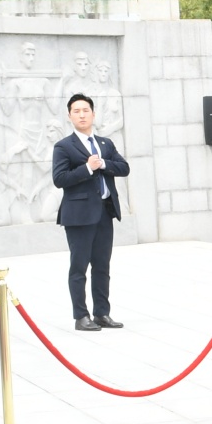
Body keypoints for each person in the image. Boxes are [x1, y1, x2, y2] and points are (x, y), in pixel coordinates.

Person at [53, 92, 131, 331]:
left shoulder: (105, 144)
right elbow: (59, 179)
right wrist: (87, 168)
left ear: (93, 114)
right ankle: (81, 316)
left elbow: (124, 168)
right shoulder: (64, 146)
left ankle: (102, 314)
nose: (81, 114)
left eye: (85, 110)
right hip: (78, 217)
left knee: (102, 266)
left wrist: (104, 164)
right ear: (69, 116)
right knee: (79, 267)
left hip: (105, 214)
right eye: (76, 111)